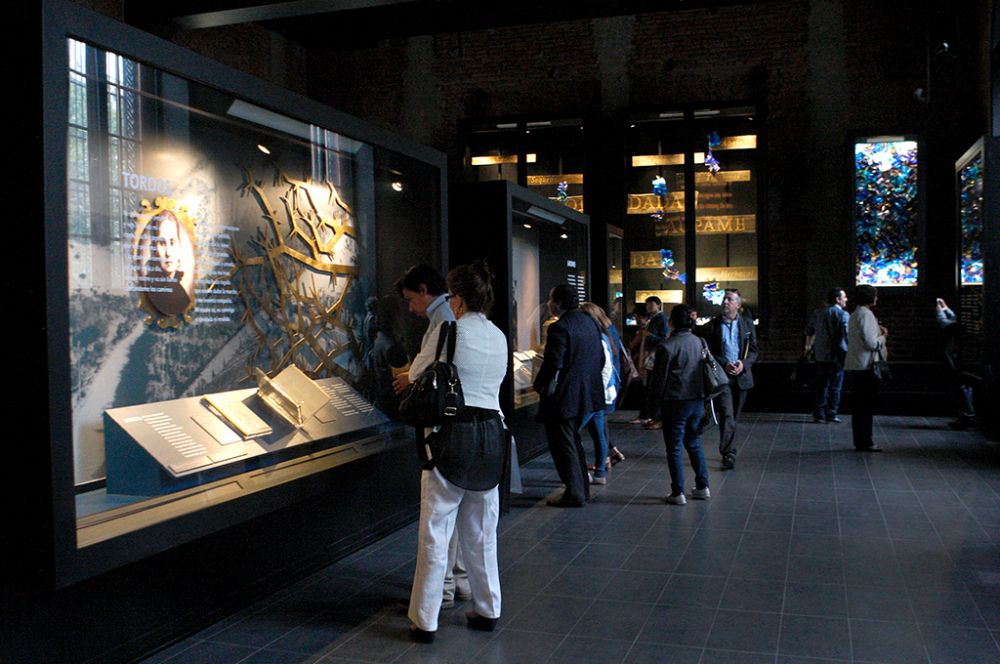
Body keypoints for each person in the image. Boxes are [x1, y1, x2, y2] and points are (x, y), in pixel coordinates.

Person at [407, 260, 507, 642]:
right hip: (492, 436)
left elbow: (418, 375)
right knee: (483, 531)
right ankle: (487, 607)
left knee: (436, 529)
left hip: (452, 436)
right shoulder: (498, 336)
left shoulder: (449, 331)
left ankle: (426, 618)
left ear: (458, 298)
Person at [392, 265, 471, 611]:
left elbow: (424, 372)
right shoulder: (460, 325)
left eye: (411, 299)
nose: (410, 308)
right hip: (468, 430)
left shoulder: (445, 322)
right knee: (464, 512)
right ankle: (459, 580)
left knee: (439, 516)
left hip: (442, 430)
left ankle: (441, 591)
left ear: (425, 290)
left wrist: (409, 378)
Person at [533, 284, 605, 507]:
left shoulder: (559, 327)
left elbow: (554, 363)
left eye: (550, 299)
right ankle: (580, 490)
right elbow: (600, 358)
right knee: (574, 443)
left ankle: (574, 493)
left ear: (558, 303)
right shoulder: (590, 322)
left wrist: (539, 385)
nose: (547, 303)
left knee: (564, 445)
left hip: (564, 397)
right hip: (587, 393)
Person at [648, 303, 710, 505]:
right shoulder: (699, 342)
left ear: (671, 322)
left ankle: (678, 492)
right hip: (697, 400)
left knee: (674, 447)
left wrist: (654, 409)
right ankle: (702, 486)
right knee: (693, 443)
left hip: (675, 402)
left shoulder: (666, 346)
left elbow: (659, 380)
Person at [698, 288, 758, 470]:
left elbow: (754, 350)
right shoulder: (713, 325)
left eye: (729, 299)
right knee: (727, 413)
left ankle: (728, 445)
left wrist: (744, 364)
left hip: (742, 377)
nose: (725, 302)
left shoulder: (747, 325)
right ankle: (728, 453)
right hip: (722, 377)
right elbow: (709, 352)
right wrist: (724, 363)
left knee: (733, 417)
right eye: (724, 299)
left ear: (738, 305)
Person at [578, 302, 620, 485]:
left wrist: (596, 391)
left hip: (597, 394)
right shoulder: (606, 334)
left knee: (571, 432)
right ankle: (600, 471)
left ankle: (582, 473)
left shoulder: (598, 338)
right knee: (599, 432)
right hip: (602, 394)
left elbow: (605, 368)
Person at [845, 284, 887, 452]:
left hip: (856, 364)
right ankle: (866, 441)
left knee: (859, 406)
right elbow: (871, 343)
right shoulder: (867, 315)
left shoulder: (855, 314)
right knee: (866, 406)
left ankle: (860, 440)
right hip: (866, 366)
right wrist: (883, 337)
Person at [804, 288, 850, 423]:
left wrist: (808, 347)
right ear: (837, 299)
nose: (846, 299)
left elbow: (809, 330)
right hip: (838, 354)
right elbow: (847, 336)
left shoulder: (818, 313)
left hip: (821, 354)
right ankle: (831, 412)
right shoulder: (843, 315)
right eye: (844, 297)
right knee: (836, 386)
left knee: (821, 384)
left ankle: (818, 412)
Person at [137, 210, 194, 316]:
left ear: (179, 246)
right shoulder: (152, 286)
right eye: (162, 243)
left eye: (172, 242)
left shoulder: (179, 290)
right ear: (154, 249)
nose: (168, 253)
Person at [935, 298, 978, 430]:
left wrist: (940, 311)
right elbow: (953, 320)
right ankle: (966, 416)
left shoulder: (961, 326)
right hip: (964, 358)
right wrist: (946, 308)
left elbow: (946, 324)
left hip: (956, 358)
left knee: (961, 387)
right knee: (964, 387)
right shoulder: (971, 323)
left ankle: (968, 417)